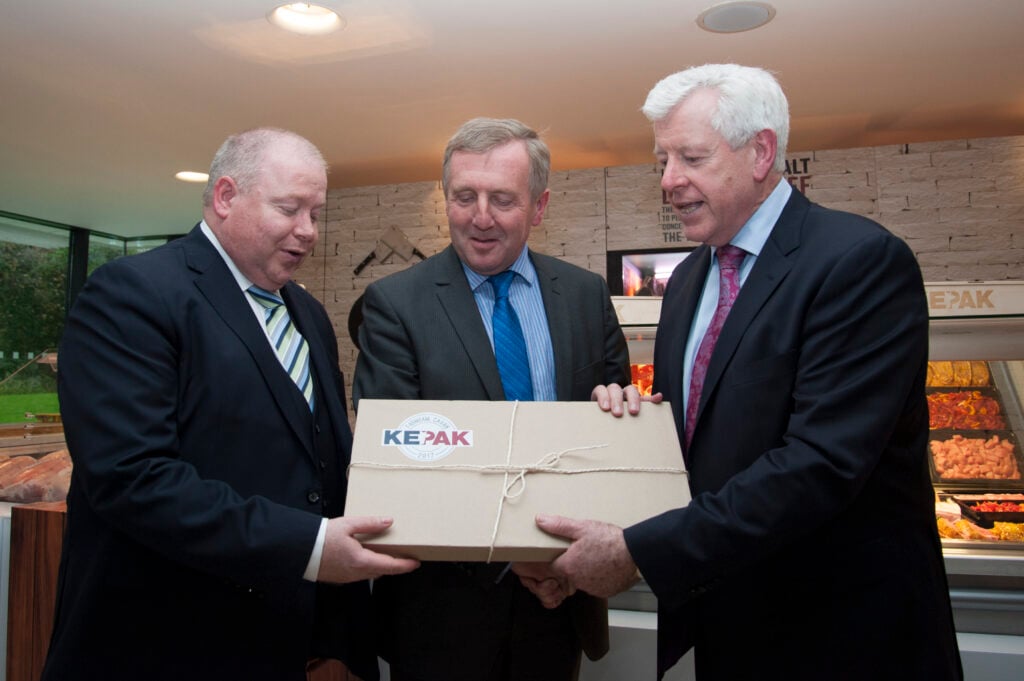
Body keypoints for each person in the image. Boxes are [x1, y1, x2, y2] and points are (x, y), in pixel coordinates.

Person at [531, 64, 964, 680]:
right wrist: (633, 425)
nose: (668, 181)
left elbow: (819, 465)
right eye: (662, 161)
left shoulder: (858, 261)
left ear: (761, 151)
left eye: (690, 157)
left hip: (845, 639)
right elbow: (703, 441)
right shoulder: (685, 283)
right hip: (731, 626)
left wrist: (634, 553)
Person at [42, 128, 418, 681]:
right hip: (159, 642)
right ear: (224, 197)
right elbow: (132, 478)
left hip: (278, 639)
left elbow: (320, 453)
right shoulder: (131, 294)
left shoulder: (308, 316)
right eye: (290, 209)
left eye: (316, 212)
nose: (308, 231)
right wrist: (310, 547)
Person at [352, 117, 629, 681]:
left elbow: (612, 437)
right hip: (442, 614)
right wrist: (516, 559)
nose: (480, 217)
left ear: (540, 205)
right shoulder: (394, 305)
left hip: (561, 601)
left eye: (502, 199)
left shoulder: (585, 295)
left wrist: (568, 562)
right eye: (464, 197)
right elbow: (397, 464)